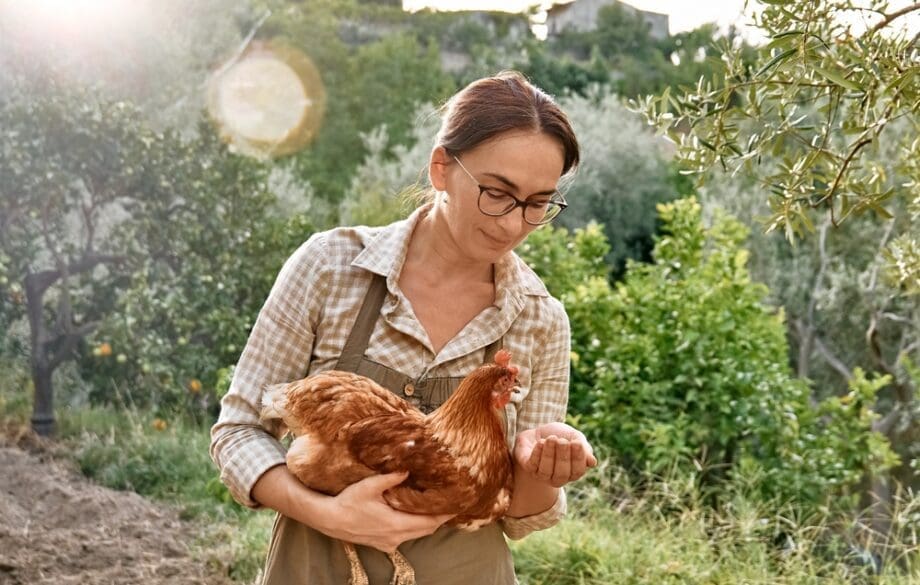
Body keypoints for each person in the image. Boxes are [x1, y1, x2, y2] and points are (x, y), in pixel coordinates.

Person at [210, 70, 597, 585]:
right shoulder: (330, 267)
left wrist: (542, 468)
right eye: (497, 193)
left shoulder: (540, 319)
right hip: (316, 567)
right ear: (441, 167)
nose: (512, 223)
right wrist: (327, 513)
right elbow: (238, 432)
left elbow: (522, 517)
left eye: (537, 203)